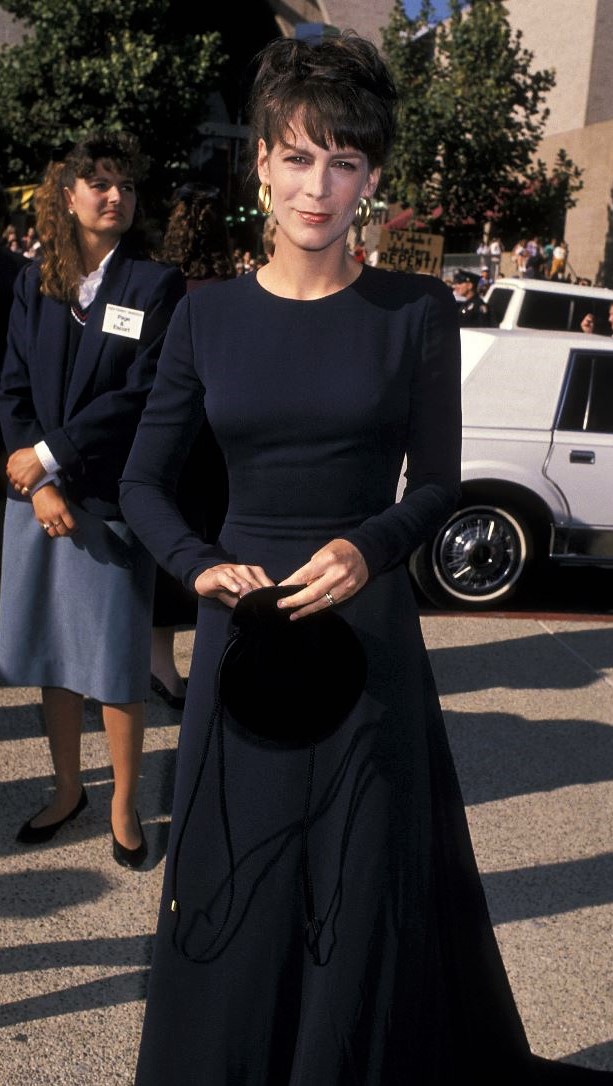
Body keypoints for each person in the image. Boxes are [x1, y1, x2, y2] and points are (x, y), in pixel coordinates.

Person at [120, 32, 613, 1084]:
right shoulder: (204, 317)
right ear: (260, 161)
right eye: (297, 157)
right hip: (243, 637)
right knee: (239, 878)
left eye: (342, 162)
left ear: (373, 178)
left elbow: (435, 484)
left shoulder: (415, 313)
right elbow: (141, 484)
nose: (317, 185)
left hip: (368, 633)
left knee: (356, 881)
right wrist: (201, 565)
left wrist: (371, 543)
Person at [0, 132, 185, 867]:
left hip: (108, 500)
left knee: (112, 664)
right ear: (67, 195)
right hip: (35, 500)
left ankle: (122, 806)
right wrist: (38, 481)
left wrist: (50, 458)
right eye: (98, 183)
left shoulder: (153, 283)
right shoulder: (35, 278)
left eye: (125, 186)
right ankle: (68, 787)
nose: (114, 196)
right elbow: (11, 383)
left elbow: (141, 394)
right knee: (54, 656)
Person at [148, 182, 233, 707]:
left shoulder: (159, 286)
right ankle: (204, 665)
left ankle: (159, 663)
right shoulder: (229, 289)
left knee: (168, 543)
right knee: (215, 542)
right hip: (219, 435)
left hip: (170, 429)